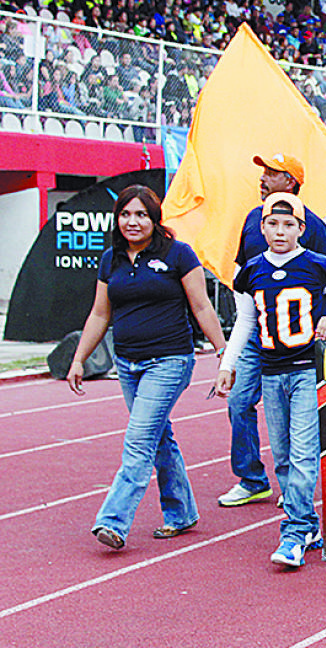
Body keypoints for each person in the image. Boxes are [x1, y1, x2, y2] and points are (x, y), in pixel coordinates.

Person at [70, 185, 226, 550]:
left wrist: (223, 354)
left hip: (169, 361)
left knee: (139, 440)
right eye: (125, 214)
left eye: (141, 214)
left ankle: (113, 520)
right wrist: (78, 359)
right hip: (127, 363)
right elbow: (99, 313)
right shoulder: (111, 259)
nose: (132, 222)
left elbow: (202, 307)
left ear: (155, 218)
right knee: (158, 438)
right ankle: (182, 511)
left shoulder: (179, 255)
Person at [215, 193, 326, 567]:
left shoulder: (317, 266)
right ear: (262, 227)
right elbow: (246, 322)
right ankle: (308, 522)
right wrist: (227, 365)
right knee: (281, 453)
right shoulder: (251, 271)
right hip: (270, 370)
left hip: (306, 372)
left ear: (302, 228)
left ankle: (294, 531)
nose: (280, 231)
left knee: (302, 453)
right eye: (273, 224)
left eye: (288, 224)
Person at [218, 153, 326, 509]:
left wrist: (321, 330)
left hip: (298, 341)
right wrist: (229, 356)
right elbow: (243, 276)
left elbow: (325, 285)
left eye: (273, 173)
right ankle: (252, 477)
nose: (263, 178)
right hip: (256, 331)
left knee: (295, 426)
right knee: (238, 402)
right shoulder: (253, 219)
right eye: (263, 172)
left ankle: (298, 490)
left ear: (292, 182)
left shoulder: (314, 227)